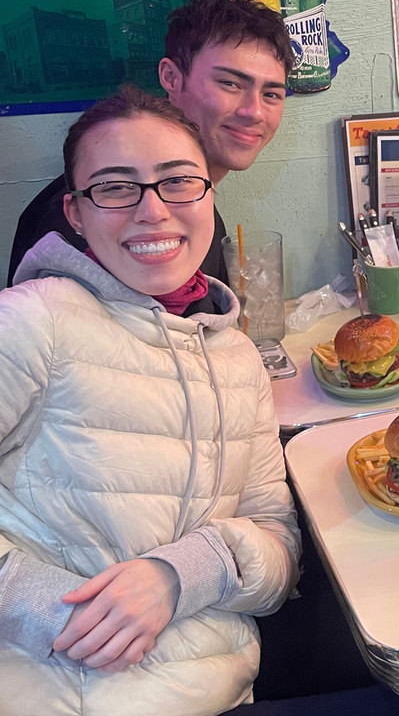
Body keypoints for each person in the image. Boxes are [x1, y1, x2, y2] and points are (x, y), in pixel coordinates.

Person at [0, 86, 301, 715]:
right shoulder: (33, 320)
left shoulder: (237, 357)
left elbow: (279, 549)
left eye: (178, 181)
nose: (153, 211)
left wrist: (186, 572)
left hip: (219, 691)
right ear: (75, 213)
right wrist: (52, 608)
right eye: (115, 187)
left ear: (209, 194)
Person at [6, 0, 291, 288]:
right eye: (230, 83)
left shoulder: (196, 203)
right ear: (171, 77)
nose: (254, 112)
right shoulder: (85, 215)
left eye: (271, 94)